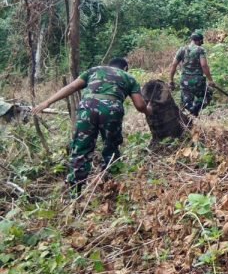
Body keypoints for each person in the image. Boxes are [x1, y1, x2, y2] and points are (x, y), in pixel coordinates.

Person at [31, 57, 152, 195]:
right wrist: (149, 110)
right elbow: (140, 105)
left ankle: (74, 192)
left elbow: (71, 87)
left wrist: (47, 102)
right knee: (111, 147)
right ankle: (110, 186)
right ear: (125, 68)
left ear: (109, 65)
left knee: (81, 149)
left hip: (87, 109)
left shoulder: (94, 70)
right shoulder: (128, 77)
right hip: (111, 111)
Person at [169, 30, 216, 116]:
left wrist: (171, 80)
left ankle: (190, 114)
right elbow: (204, 65)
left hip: (185, 81)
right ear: (199, 40)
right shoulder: (200, 50)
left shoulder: (182, 49)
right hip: (197, 81)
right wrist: (210, 80)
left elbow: (173, 65)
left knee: (186, 103)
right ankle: (195, 111)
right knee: (207, 95)